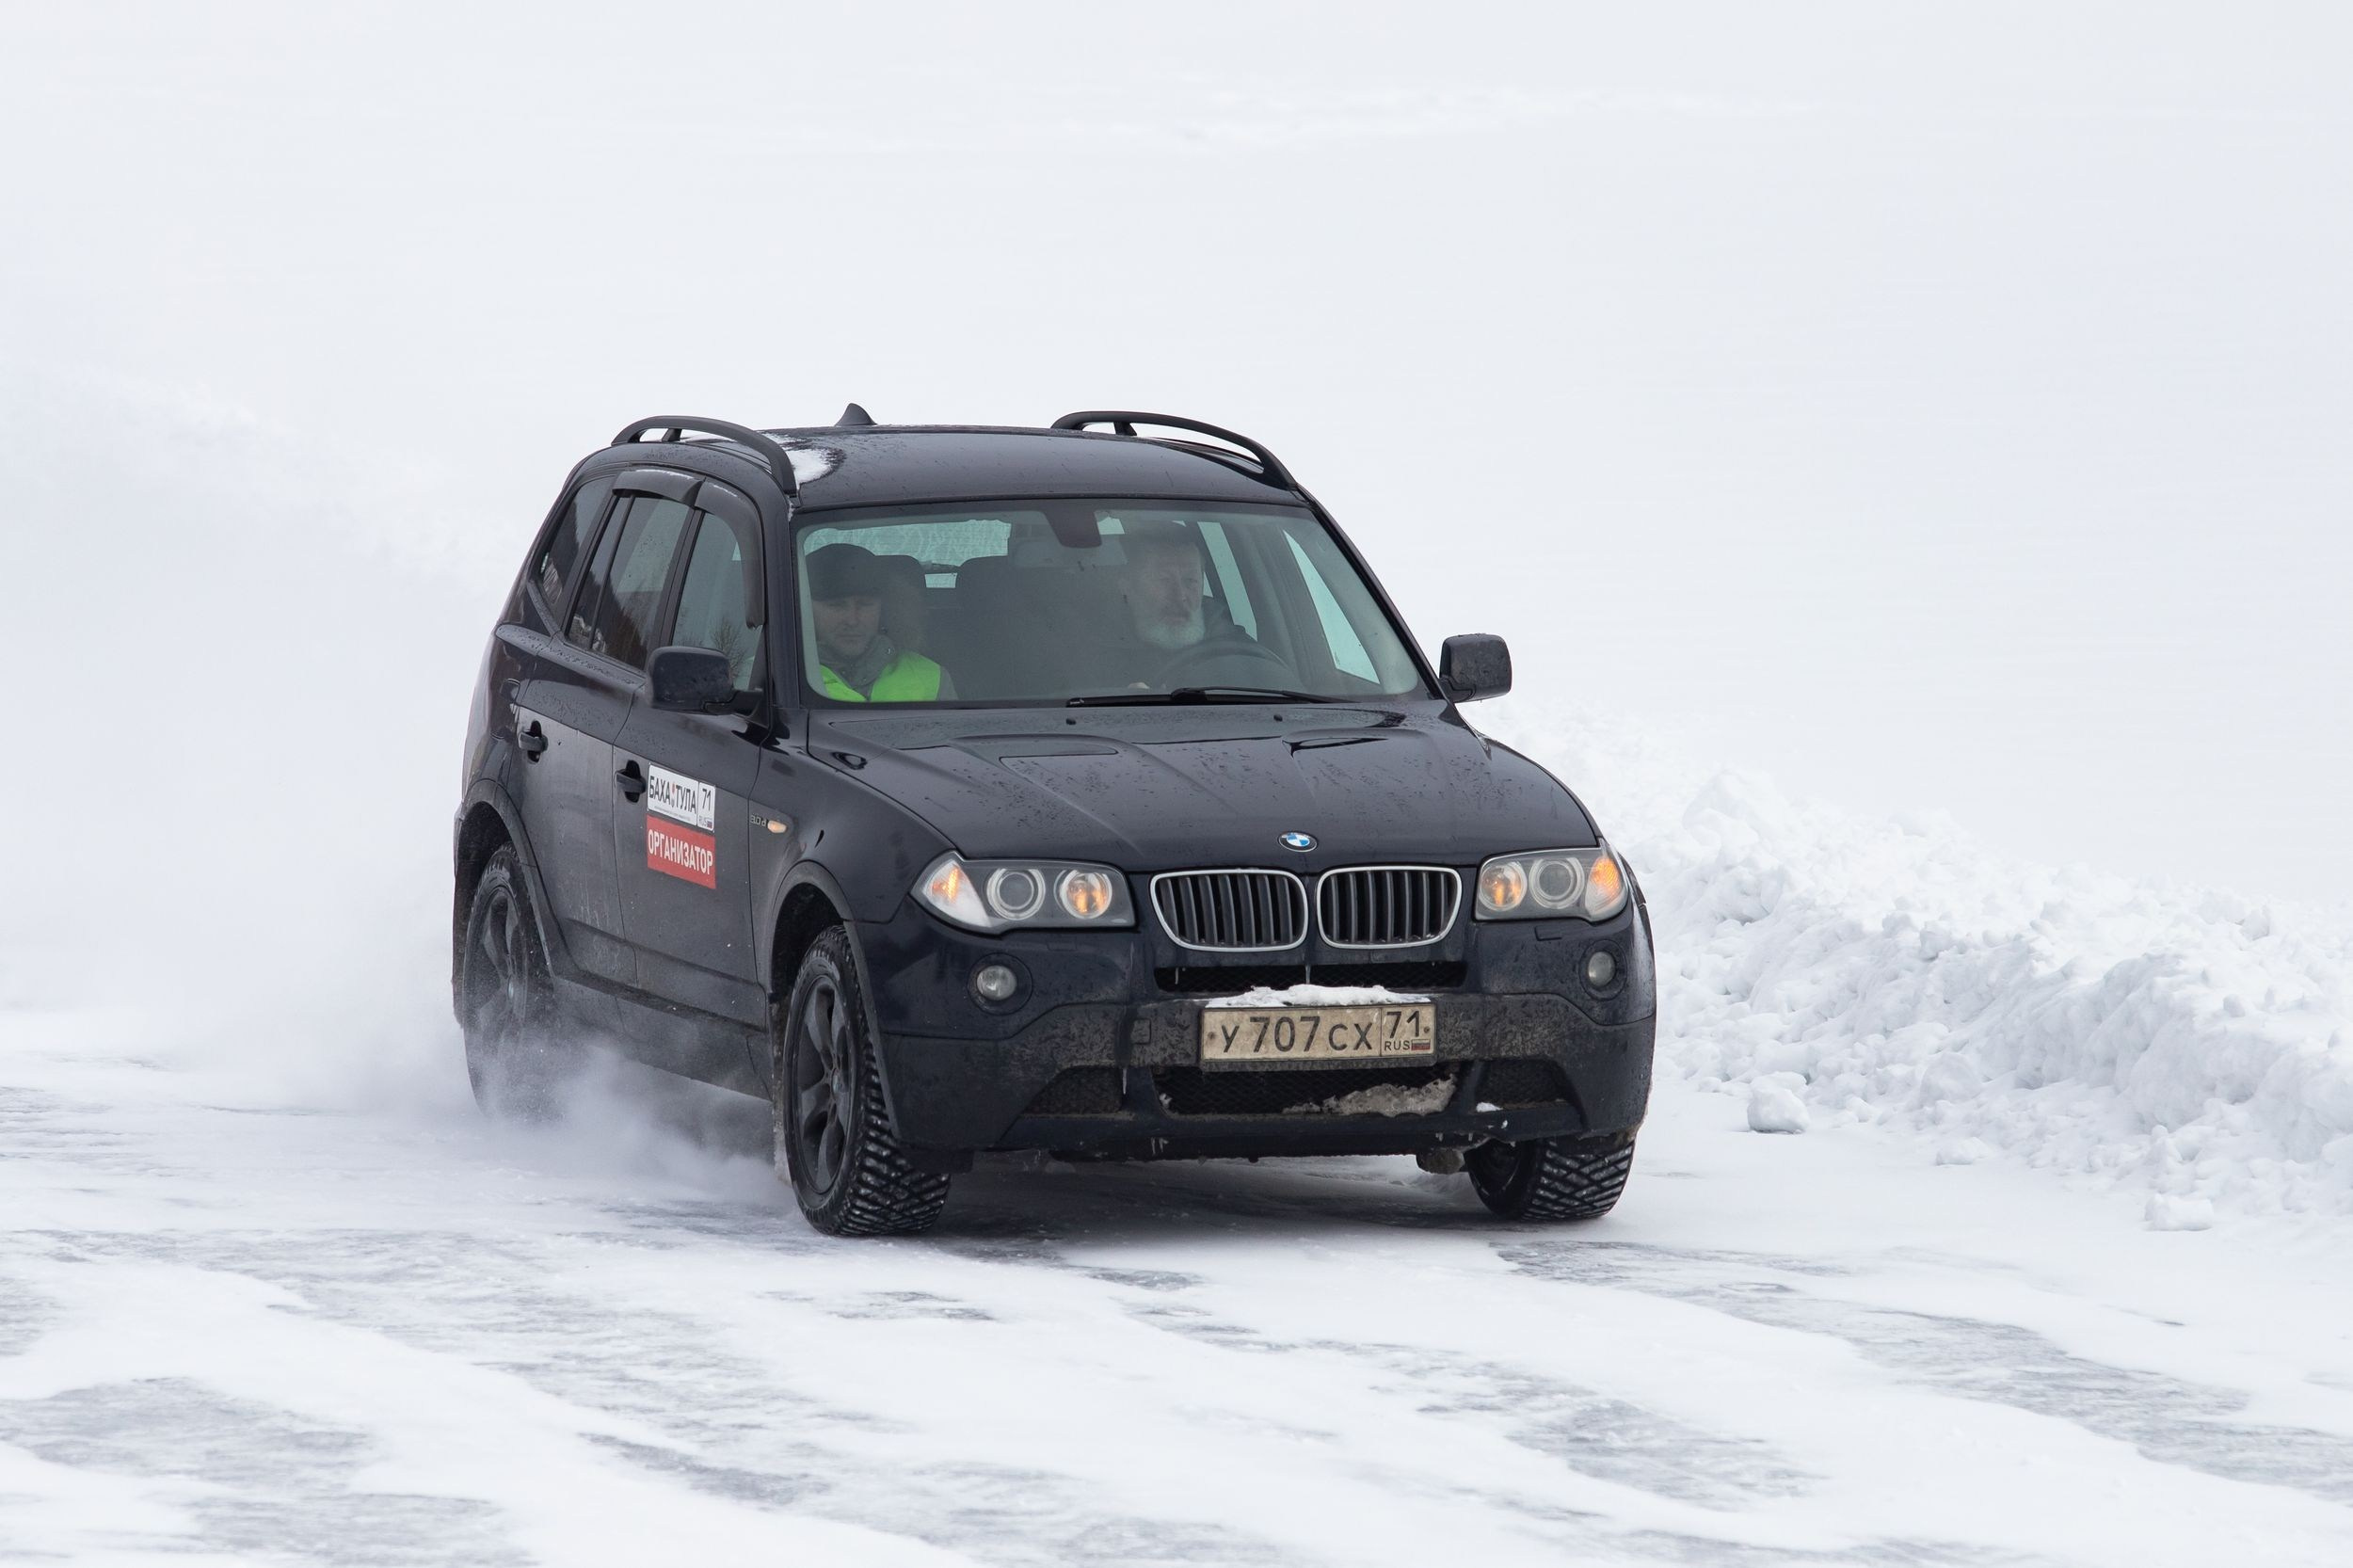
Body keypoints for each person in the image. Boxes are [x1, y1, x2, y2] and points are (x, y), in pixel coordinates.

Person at [805, 542, 952, 701]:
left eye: (865, 604)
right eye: (836, 606)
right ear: (805, 609)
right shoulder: (784, 678)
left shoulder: (931, 677)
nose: (852, 620)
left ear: (886, 610)